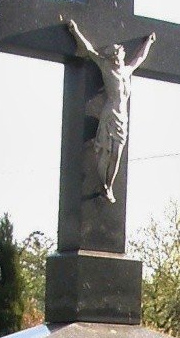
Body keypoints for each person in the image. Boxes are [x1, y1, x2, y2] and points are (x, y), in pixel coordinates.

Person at [60, 15, 155, 203]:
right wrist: (74, 30)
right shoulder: (105, 67)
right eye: (117, 52)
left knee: (117, 154)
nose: (120, 54)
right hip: (110, 113)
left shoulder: (126, 71)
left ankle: (108, 186)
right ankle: (103, 183)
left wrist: (149, 42)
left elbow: (140, 58)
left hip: (123, 117)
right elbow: (88, 49)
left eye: (120, 52)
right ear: (113, 56)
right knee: (107, 151)